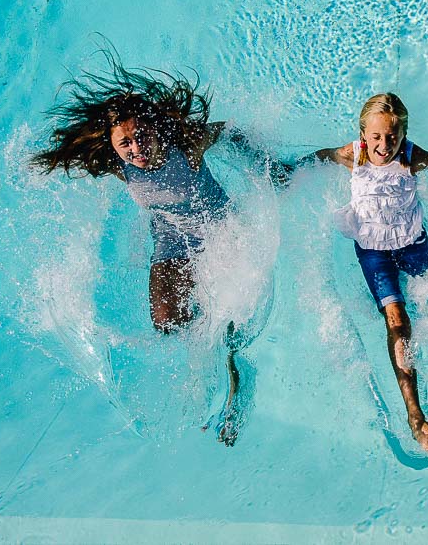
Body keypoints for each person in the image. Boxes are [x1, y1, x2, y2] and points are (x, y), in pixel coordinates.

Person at [31, 54, 271, 445]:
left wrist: (264, 165)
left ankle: (230, 360)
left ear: (154, 128)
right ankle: (204, 343)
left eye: (141, 135)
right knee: (166, 322)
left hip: (219, 231)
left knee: (225, 314)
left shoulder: (186, 144)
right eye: (125, 142)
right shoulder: (119, 164)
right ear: (112, 144)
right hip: (173, 239)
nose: (136, 147)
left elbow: (230, 131)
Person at [303, 92, 428, 456]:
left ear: (404, 132)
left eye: (393, 135)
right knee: (397, 323)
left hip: (413, 243)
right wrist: (290, 169)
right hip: (373, 251)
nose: (385, 145)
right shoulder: (353, 155)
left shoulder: (411, 156)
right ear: (363, 134)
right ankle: (417, 420)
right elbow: (320, 156)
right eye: (377, 136)